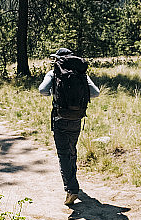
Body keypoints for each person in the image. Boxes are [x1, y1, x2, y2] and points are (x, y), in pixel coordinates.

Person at [38, 48, 100, 205]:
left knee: (63, 154)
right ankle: (73, 181)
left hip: (60, 118)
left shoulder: (53, 73)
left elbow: (42, 90)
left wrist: (56, 93)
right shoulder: (81, 74)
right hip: (77, 118)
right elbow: (96, 93)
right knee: (72, 150)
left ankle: (71, 189)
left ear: (58, 60)